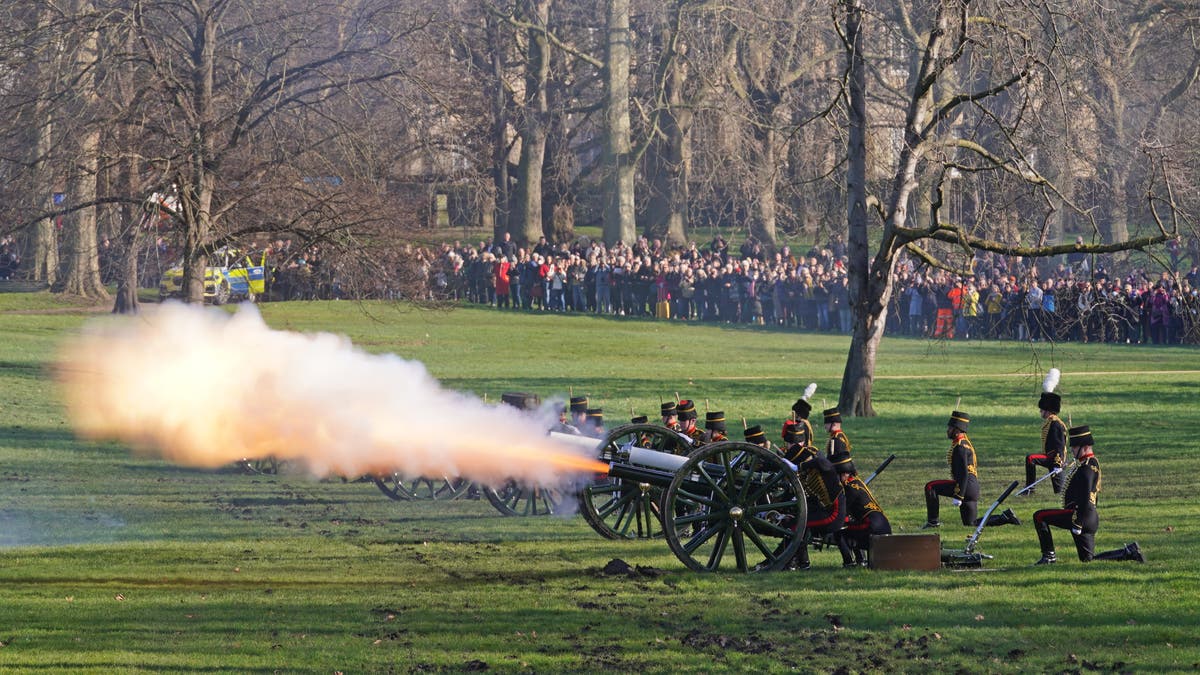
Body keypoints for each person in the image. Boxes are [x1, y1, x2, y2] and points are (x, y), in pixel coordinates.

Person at [1032, 426, 1145, 565]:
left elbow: (1086, 495)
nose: (1072, 450)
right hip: (1089, 517)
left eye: (1074, 447)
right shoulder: (1089, 463)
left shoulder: (1086, 467)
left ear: (1084, 447)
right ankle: (1128, 552)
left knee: (1039, 516)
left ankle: (1048, 556)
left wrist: (1078, 522)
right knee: (1088, 559)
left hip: (1079, 516)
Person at [923, 411, 1020, 528]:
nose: (947, 430)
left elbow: (963, 473)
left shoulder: (960, 447)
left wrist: (959, 495)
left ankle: (933, 522)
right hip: (972, 487)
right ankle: (1004, 518)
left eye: (950, 428)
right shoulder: (964, 443)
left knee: (931, 487)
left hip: (966, 486)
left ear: (957, 430)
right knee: (971, 524)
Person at [787, 441, 846, 569]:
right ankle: (797, 562)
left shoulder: (823, 466)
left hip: (833, 515)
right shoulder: (812, 474)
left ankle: (796, 563)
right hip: (825, 511)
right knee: (794, 522)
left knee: (796, 527)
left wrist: (799, 467)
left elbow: (821, 462)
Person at [832, 451, 891, 567]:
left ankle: (849, 562)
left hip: (872, 527)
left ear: (843, 474)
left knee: (839, 531)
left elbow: (842, 512)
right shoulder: (857, 482)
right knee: (852, 528)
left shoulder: (849, 488)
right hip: (882, 524)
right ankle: (860, 560)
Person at [1025, 369, 1067, 494]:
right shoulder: (1051, 421)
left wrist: (1058, 463)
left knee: (1030, 458)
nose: (1040, 412)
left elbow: (1059, 445)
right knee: (1060, 490)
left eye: (1042, 409)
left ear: (1047, 410)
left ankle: (1029, 488)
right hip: (1051, 456)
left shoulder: (1055, 424)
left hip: (1054, 459)